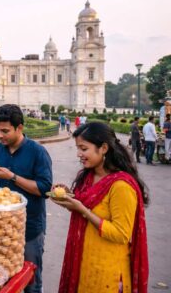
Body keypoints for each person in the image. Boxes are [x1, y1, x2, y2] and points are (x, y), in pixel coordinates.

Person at [51, 122, 149, 293]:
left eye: (83, 148)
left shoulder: (121, 186)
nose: (78, 154)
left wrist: (82, 210)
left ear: (103, 148)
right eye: (78, 148)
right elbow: (86, 209)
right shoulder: (88, 176)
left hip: (107, 272)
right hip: (83, 264)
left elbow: (121, 234)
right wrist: (69, 198)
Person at [0, 104, 52, 293]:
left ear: (20, 128)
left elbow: (44, 189)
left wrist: (12, 177)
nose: (0, 135)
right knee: (3, 278)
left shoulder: (37, 152)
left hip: (30, 227)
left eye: (5, 131)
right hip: (2, 229)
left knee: (31, 280)